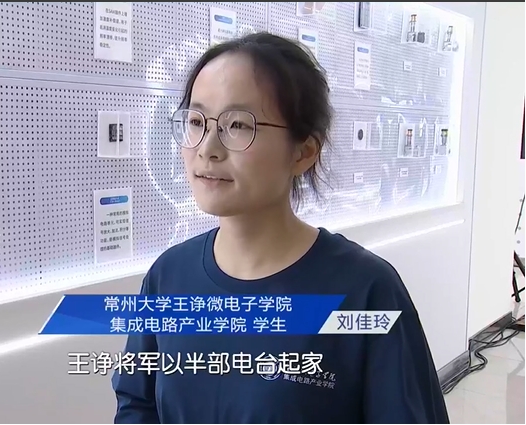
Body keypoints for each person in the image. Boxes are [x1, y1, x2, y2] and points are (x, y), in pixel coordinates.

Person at [111, 32, 449, 424]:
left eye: (238, 125)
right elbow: (137, 403)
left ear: (303, 152)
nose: (207, 148)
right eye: (197, 121)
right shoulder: (168, 276)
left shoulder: (365, 291)